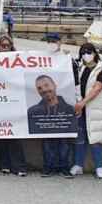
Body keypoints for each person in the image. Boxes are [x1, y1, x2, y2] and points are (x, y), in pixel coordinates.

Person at [71, 42, 102, 179]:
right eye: (83, 53)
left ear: (94, 53)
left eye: (89, 52)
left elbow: (97, 88)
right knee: (80, 139)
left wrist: (82, 103)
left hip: (94, 109)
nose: (86, 55)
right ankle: (78, 165)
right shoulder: (80, 68)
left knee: (95, 140)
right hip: (81, 109)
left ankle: (99, 167)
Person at [37, 32, 73, 178]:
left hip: (63, 105)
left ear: (60, 42)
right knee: (47, 140)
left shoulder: (67, 59)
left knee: (64, 140)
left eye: (54, 41)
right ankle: (48, 166)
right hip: (45, 108)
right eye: (49, 41)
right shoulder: (39, 59)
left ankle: (64, 167)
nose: (51, 43)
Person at [0, 35, 27, 176]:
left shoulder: (17, 59)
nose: (5, 48)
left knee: (15, 136)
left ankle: (19, 166)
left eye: (8, 45)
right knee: (2, 135)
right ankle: (5, 165)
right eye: (3, 45)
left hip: (14, 103)